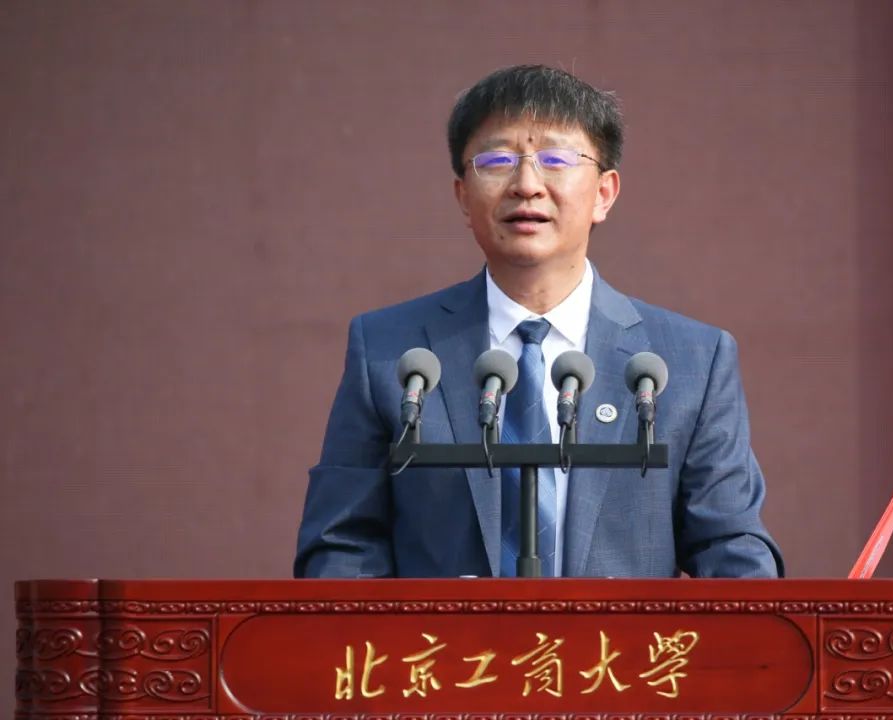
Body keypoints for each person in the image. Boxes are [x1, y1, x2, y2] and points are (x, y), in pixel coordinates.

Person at [294, 65, 783, 579]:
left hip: (614, 637)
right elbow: (341, 545)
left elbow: (731, 546)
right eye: (497, 160)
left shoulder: (690, 361)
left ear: (604, 193)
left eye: (556, 159)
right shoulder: (390, 351)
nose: (526, 185)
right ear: (463, 196)